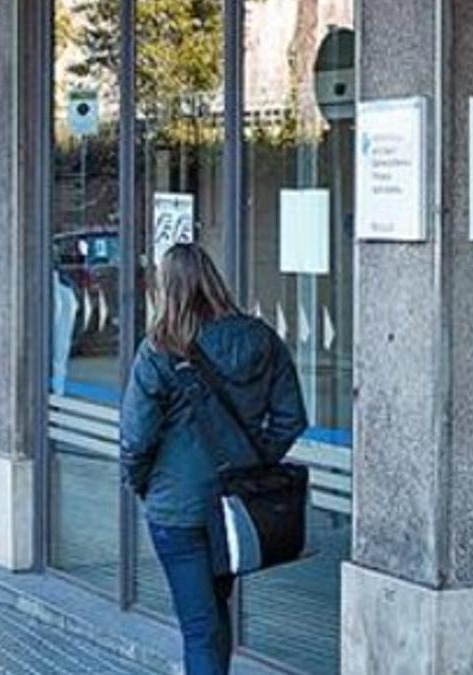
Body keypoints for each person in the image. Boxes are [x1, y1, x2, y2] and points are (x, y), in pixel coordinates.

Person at [119, 244, 307, 675]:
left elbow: (135, 438)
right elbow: (290, 418)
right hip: (235, 506)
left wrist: (143, 483)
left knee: (200, 625)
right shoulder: (261, 338)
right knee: (214, 613)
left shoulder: (159, 349)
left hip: (177, 509)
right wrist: (253, 462)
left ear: (166, 289)